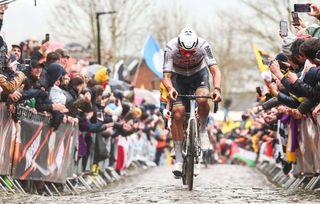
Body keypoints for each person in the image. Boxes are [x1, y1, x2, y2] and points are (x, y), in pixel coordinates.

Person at [162, 27, 222, 177]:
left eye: (191, 52)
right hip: (178, 76)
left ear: (196, 46)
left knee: (202, 98)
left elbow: (215, 70)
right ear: (179, 46)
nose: (188, 55)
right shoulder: (170, 47)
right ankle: (179, 159)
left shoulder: (204, 45)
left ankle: (202, 131)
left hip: (198, 73)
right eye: (184, 52)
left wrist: (217, 89)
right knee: (177, 113)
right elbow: (166, 76)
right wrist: (170, 89)